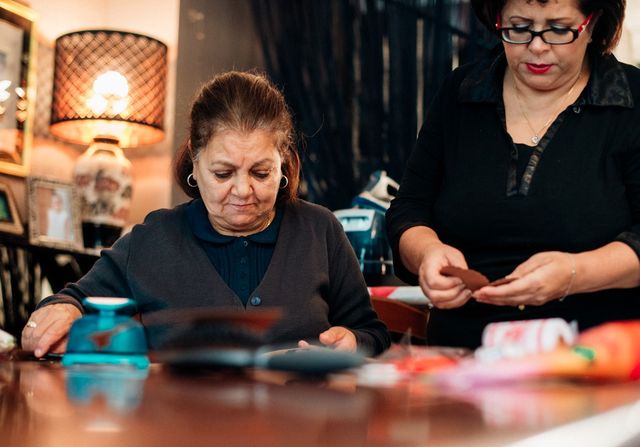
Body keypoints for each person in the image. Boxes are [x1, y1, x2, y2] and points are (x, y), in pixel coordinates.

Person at [22, 71, 390, 358]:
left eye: (261, 173)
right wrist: (61, 313)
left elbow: (373, 334)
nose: (243, 191)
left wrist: (352, 342)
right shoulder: (155, 238)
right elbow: (71, 299)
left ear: (284, 166)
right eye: (223, 173)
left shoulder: (320, 230)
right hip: (180, 437)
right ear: (195, 166)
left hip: (297, 433)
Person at [386, 0, 640, 349]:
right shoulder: (461, 93)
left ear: (592, 23)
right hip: (462, 358)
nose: (537, 46)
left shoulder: (630, 100)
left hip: (594, 360)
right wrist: (428, 253)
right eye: (518, 28)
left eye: (558, 29)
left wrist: (574, 274)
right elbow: (408, 210)